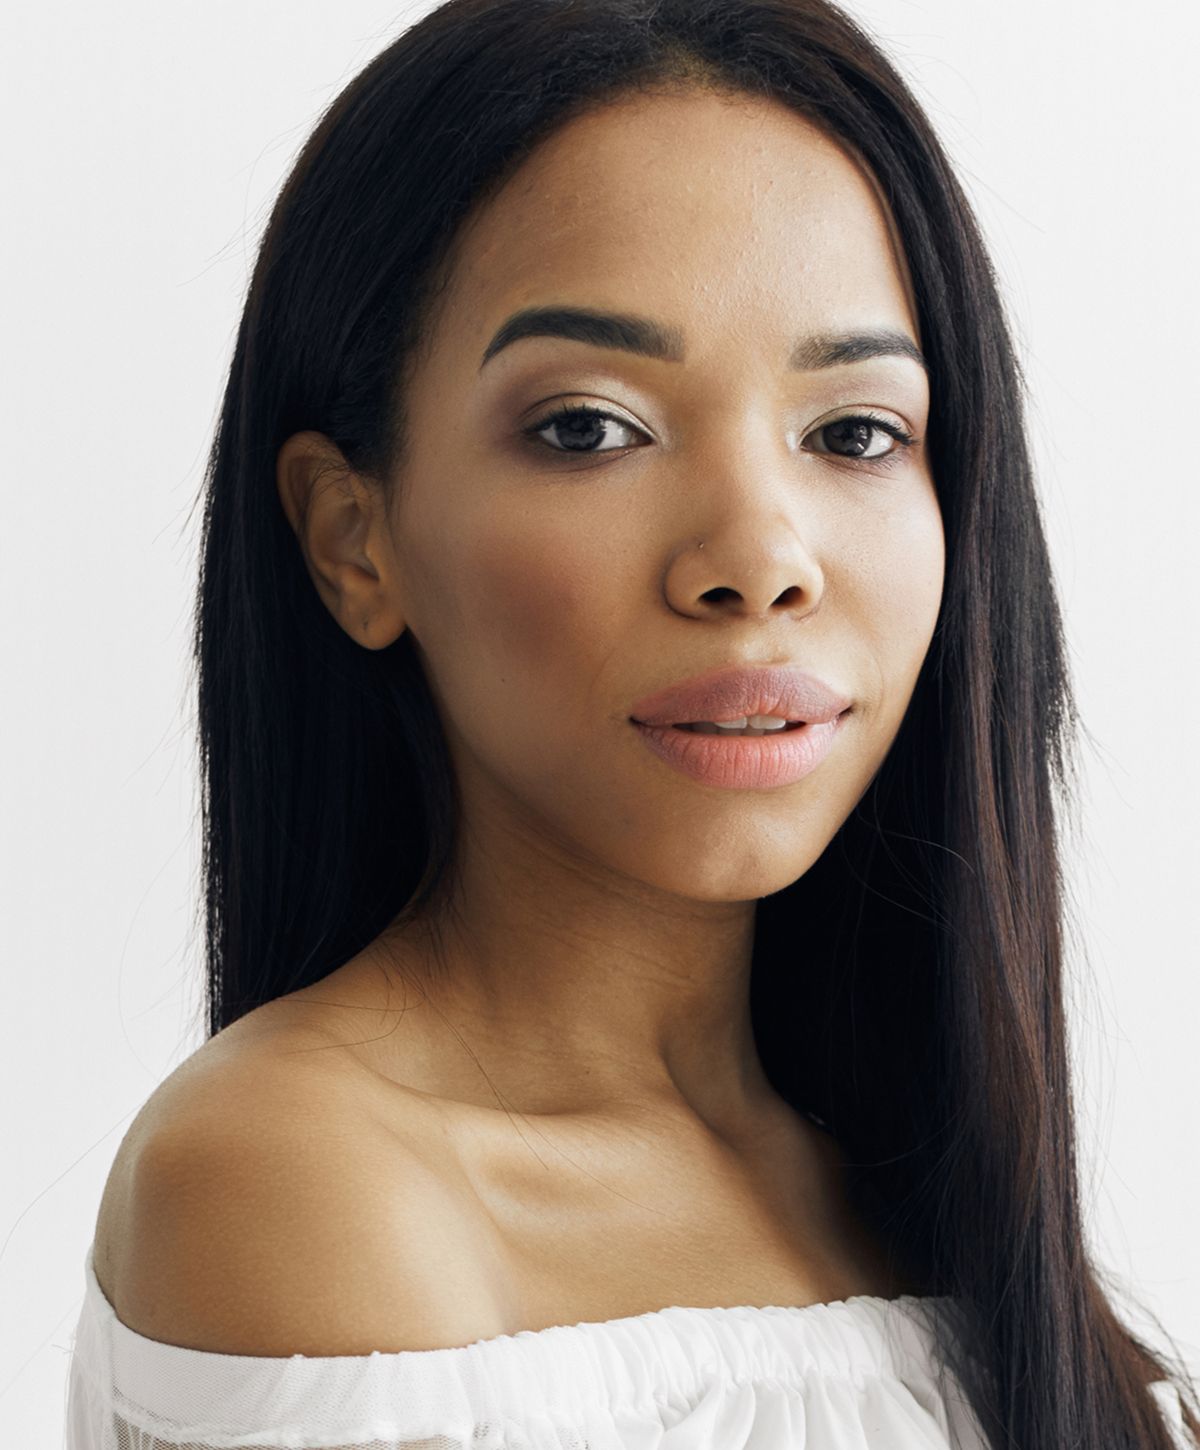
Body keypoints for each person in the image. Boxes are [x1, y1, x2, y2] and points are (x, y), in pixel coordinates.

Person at [64, 1, 1197, 1447]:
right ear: (356, 539)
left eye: (855, 430)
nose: (759, 555)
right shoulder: (300, 1186)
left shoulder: (952, 1211)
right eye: (590, 425)